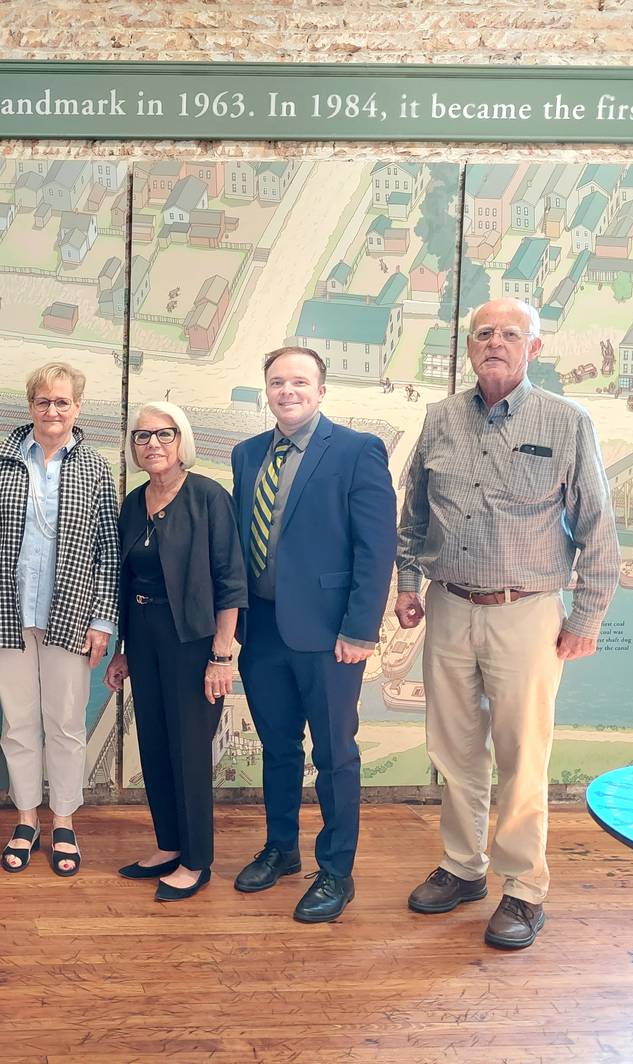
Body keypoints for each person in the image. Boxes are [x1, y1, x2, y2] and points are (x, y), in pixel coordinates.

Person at [396, 297, 619, 950]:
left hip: (527, 613)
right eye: (483, 333)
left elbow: (598, 528)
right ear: (469, 346)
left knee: (523, 756)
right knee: (454, 749)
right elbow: (414, 513)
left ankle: (523, 889)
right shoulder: (439, 419)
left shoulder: (567, 421)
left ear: (535, 348)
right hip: (448, 606)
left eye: (510, 334)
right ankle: (464, 869)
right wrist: (409, 584)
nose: (495, 342)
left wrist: (588, 617)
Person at [230, 346, 396, 923]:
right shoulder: (247, 454)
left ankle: (336, 870)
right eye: (277, 382)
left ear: (321, 390)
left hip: (330, 636)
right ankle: (281, 850)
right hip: (264, 629)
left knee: (335, 755)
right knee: (277, 748)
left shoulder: (357, 451)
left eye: (299, 381)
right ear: (266, 391)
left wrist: (360, 629)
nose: (288, 391)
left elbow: (376, 550)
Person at [0, 362, 119, 877]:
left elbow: (109, 554)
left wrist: (103, 619)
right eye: (43, 402)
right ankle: (27, 819)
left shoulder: (96, 468)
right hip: (6, 611)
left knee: (67, 724)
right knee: (19, 722)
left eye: (62, 402)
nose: (52, 411)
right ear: (30, 405)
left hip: (71, 613)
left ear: (78, 407)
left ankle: (65, 821)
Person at [104, 403, 246, 901]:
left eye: (163, 434)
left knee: (188, 751)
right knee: (155, 745)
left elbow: (231, 581)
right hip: (143, 636)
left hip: (194, 642)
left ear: (181, 440)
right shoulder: (132, 503)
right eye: (142, 437)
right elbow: (124, 580)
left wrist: (221, 655)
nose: (153, 444)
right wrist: (122, 649)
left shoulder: (209, 497)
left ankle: (197, 860)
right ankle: (168, 844)